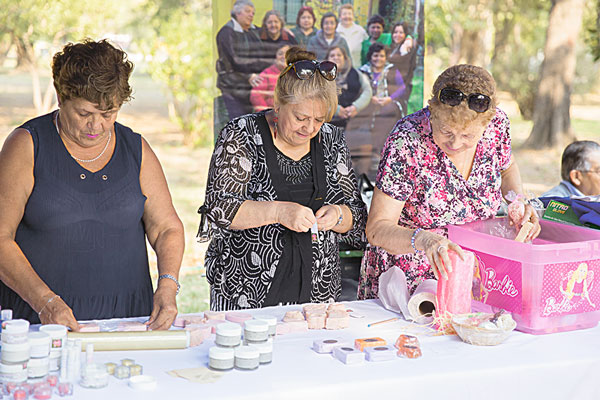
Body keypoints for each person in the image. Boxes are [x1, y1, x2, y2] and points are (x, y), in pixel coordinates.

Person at [0, 39, 184, 330]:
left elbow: (166, 227)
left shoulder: (135, 148)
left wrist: (168, 284)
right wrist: (45, 301)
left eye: (108, 114)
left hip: (129, 319)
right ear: (61, 97)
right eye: (84, 114)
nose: (96, 126)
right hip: (42, 321)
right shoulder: (27, 146)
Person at [201, 47, 367, 310]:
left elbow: (357, 217)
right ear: (278, 104)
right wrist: (279, 212)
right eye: (300, 118)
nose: (310, 128)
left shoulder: (333, 140)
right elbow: (220, 209)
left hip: (318, 297)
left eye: (319, 120)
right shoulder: (242, 135)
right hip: (247, 294)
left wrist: (337, 215)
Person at [358, 64, 541, 299]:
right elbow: (377, 229)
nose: (455, 143)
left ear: (487, 123)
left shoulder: (497, 126)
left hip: (473, 272)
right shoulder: (407, 140)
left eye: (468, 136)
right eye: (445, 131)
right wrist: (421, 238)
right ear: (431, 110)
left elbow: (507, 169)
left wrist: (518, 202)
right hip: (409, 283)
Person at [346, 43, 405, 180]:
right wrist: (369, 98)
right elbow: (356, 89)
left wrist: (389, 98)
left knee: (386, 114)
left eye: (381, 56)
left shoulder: (392, 69)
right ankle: (367, 154)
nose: (378, 58)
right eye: (375, 55)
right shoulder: (362, 71)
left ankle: (379, 153)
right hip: (368, 102)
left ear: (386, 57)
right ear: (370, 56)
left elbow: (401, 88)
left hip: (387, 102)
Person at [216, 0, 272, 119]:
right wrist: (249, 76)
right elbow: (234, 59)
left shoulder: (255, 31)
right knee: (239, 121)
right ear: (237, 12)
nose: (251, 15)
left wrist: (284, 31)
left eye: (253, 13)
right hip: (233, 85)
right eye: (247, 11)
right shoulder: (226, 33)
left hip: (253, 85)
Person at [326, 46, 372, 130]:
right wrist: (335, 110)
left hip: (353, 120)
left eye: (339, 55)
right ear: (327, 59)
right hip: (327, 120)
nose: (336, 58)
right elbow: (316, 97)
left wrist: (356, 107)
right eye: (332, 56)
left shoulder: (357, 73)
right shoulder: (320, 76)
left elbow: (367, 91)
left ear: (345, 58)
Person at [388, 21, 417, 115]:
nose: (397, 35)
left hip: (402, 85)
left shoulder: (406, 48)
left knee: (399, 110)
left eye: (401, 32)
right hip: (390, 84)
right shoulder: (392, 47)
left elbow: (407, 65)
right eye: (395, 32)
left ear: (405, 34)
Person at [250, 44, 291, 111]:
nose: (283, 56)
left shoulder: (295, 73)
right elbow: (255, 95)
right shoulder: (267, 73)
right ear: (275, 57)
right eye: (280, 54)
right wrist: (266, 114)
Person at [336, 4, 368, 68]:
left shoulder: (360, 31)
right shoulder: (335, 31)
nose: (347, 16)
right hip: (338, 70)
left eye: (350, 14)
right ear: (339, 16)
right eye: (344, 14)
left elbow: (366, 49)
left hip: (356, 68)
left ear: (353, 16)